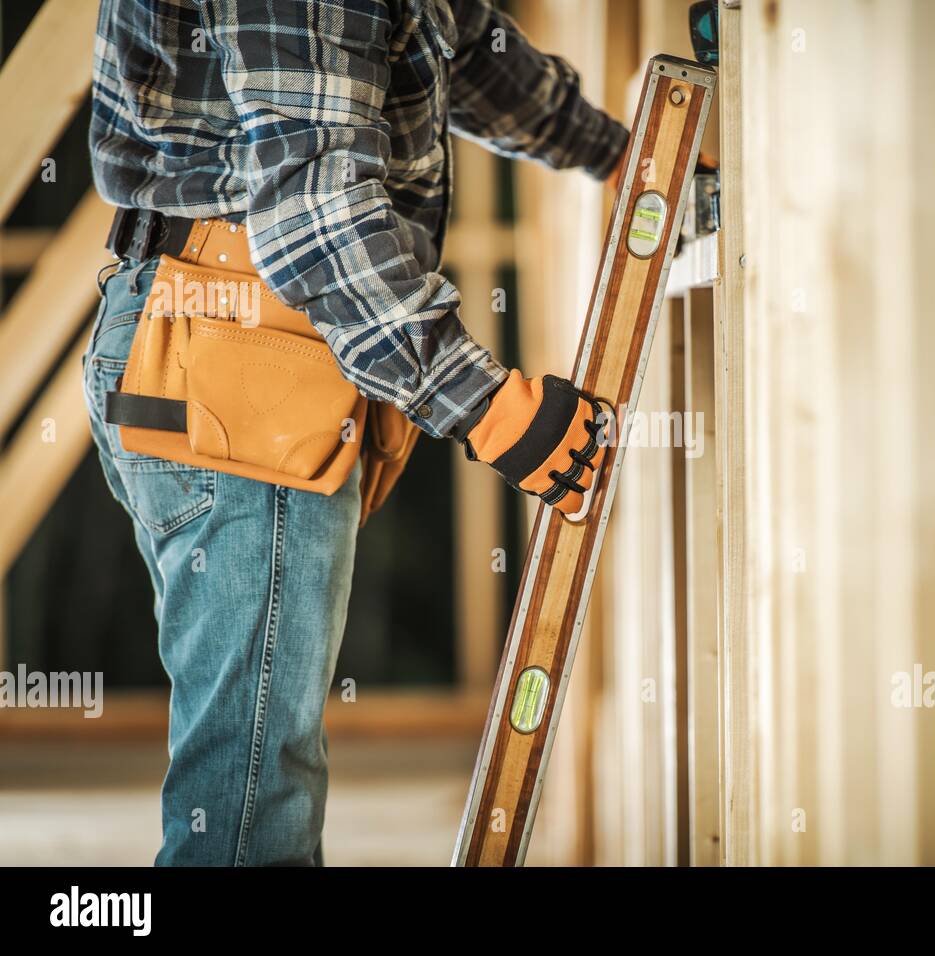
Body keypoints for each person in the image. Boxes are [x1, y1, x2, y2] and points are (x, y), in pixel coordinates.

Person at [84, 0, 627, 865]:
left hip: (221, 333)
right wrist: (488, 410)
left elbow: (458, 43)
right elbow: (315, 221)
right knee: (253, 800)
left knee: (252, 760)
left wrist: (620, 149)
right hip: (240, 346)